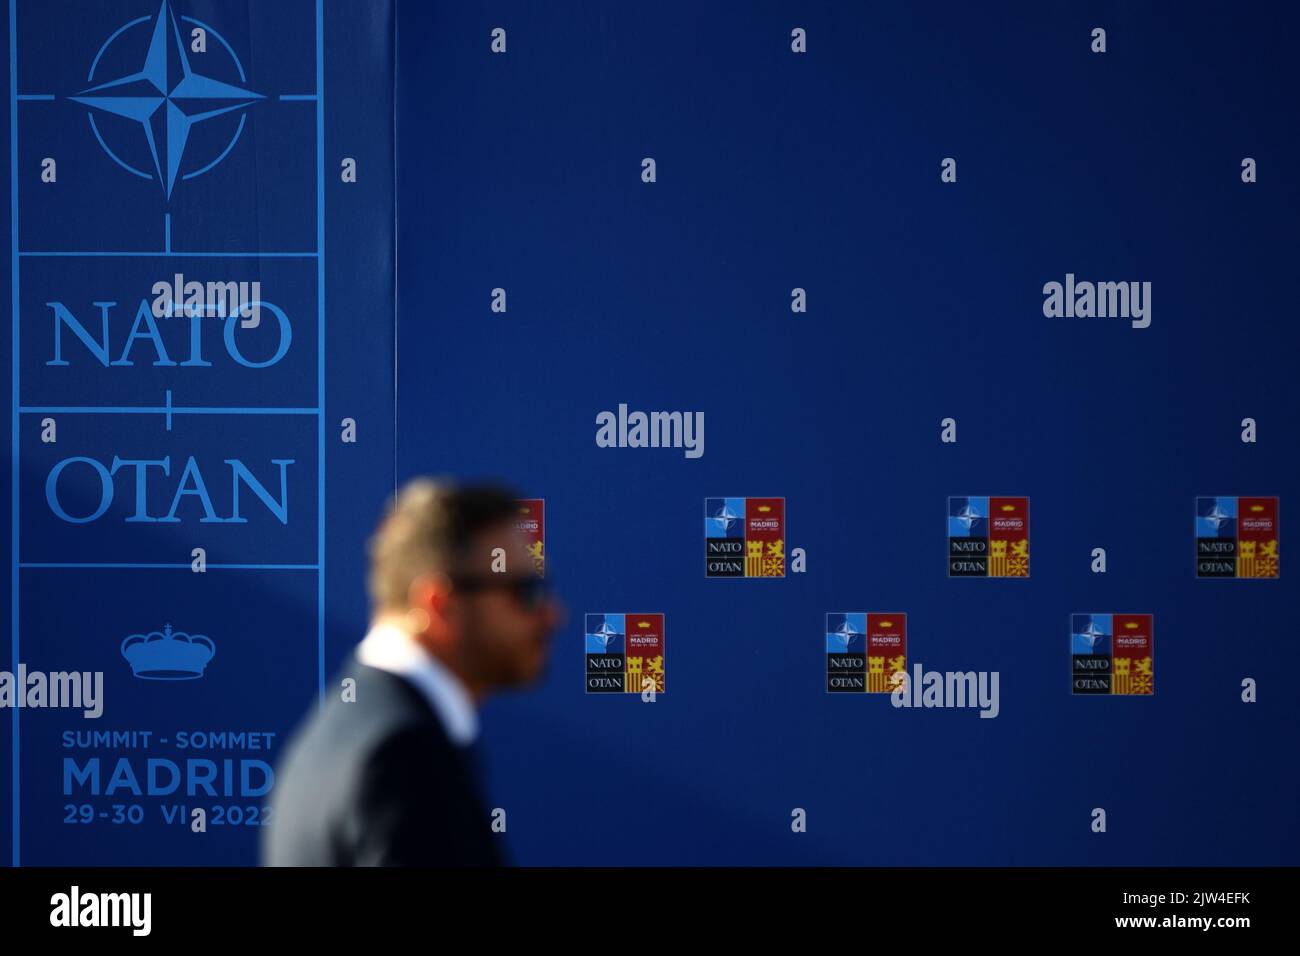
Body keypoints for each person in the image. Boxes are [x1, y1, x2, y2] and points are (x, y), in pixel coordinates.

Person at [263, 479, 560, 866]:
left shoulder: (345, 730)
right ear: (439, 605)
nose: (551, 615)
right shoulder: (402, 756)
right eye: (525, 593)